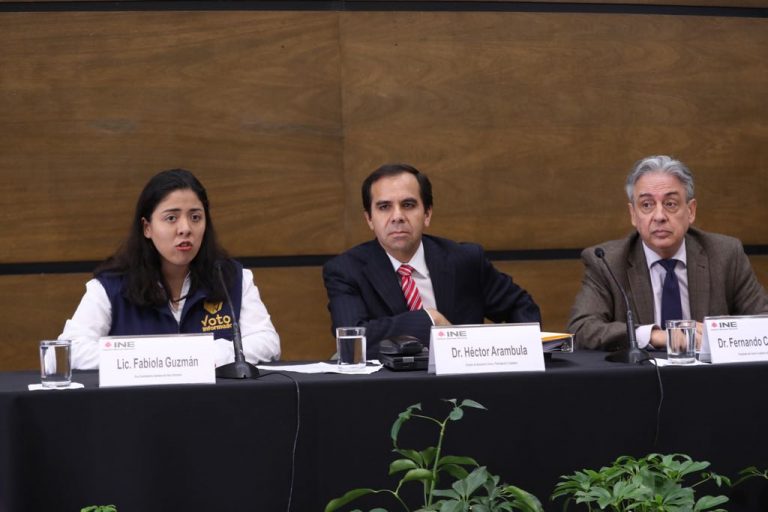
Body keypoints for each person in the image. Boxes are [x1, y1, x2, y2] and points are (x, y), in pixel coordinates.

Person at [60, 168, 281, 369]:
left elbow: (268, 342)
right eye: (171, 218)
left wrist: (213, 353)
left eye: (195, 217)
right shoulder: (110, 286)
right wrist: (153, 358)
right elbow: (70, 350)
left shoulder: (231, 277)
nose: (185, 228)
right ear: (147, 228)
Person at [323, 163, 541, 358]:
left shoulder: (465, 260)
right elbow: (352, 341)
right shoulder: (346, 271)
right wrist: (430, 320)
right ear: (369, 219)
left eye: (408, 205)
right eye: (384, 207)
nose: (397, 216)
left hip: (465, 388)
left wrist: (506, 355)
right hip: (388, 392)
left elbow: (521, 307)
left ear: (427, 214)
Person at [568, 155, 768, 352]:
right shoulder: (607, 262)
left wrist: (717, 334)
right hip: (640, 380)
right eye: (647, 205)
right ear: (633, 215)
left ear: (691, 211)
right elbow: (581, 329)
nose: (659, 216)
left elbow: (763, 322)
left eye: (670, 204)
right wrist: (655, 336)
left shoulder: (725, 254)